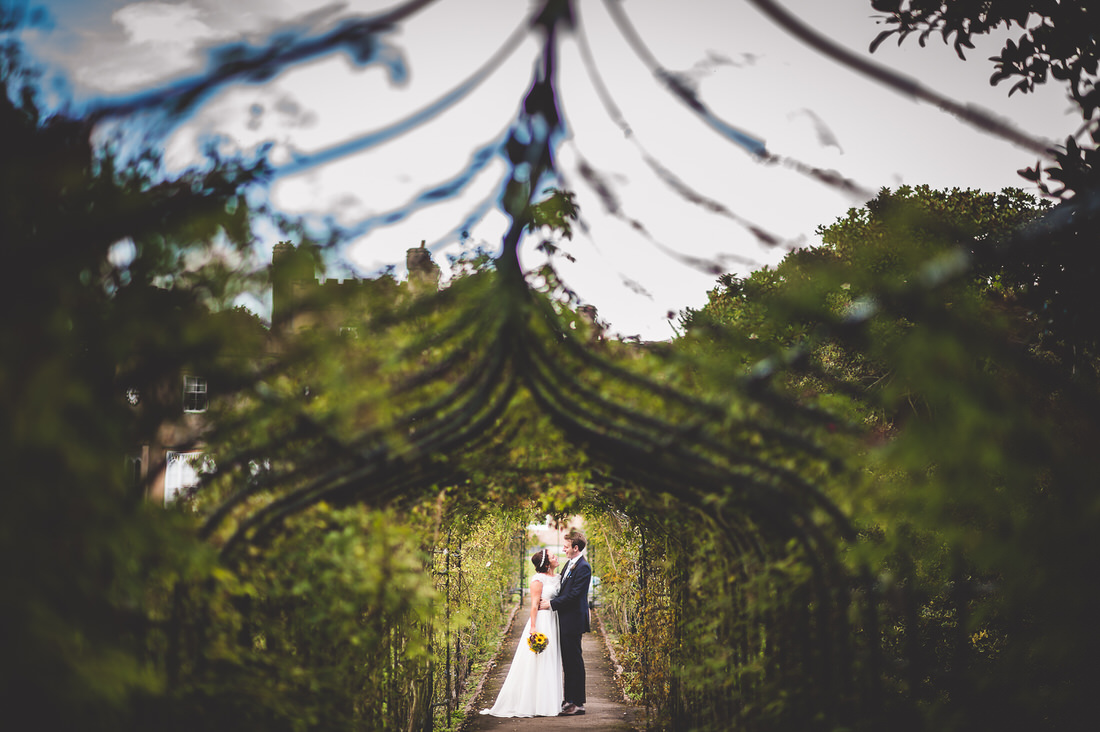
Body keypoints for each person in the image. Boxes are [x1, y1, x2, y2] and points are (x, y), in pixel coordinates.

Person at [481, 548, 564, 717]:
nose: (556, 557)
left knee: (552, 658)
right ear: (547, 564)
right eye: (552, 556)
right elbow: (534, 605)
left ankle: (549, 701)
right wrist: (533, 628)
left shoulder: (558, 578)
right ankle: (534, 703)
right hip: (542, 621)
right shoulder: (538, 580)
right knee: (539, 659)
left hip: (554, 620)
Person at [544, 529, 592, 716]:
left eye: (566, 547)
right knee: (568, 661)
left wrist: (551, 604)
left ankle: (577, 703)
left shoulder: (583, 567)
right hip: (565, 620)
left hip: (573, 622)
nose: (563, 550)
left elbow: (573, 596)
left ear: (576, 547)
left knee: (574, 662)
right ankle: (569, 699)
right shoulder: (569, 565)